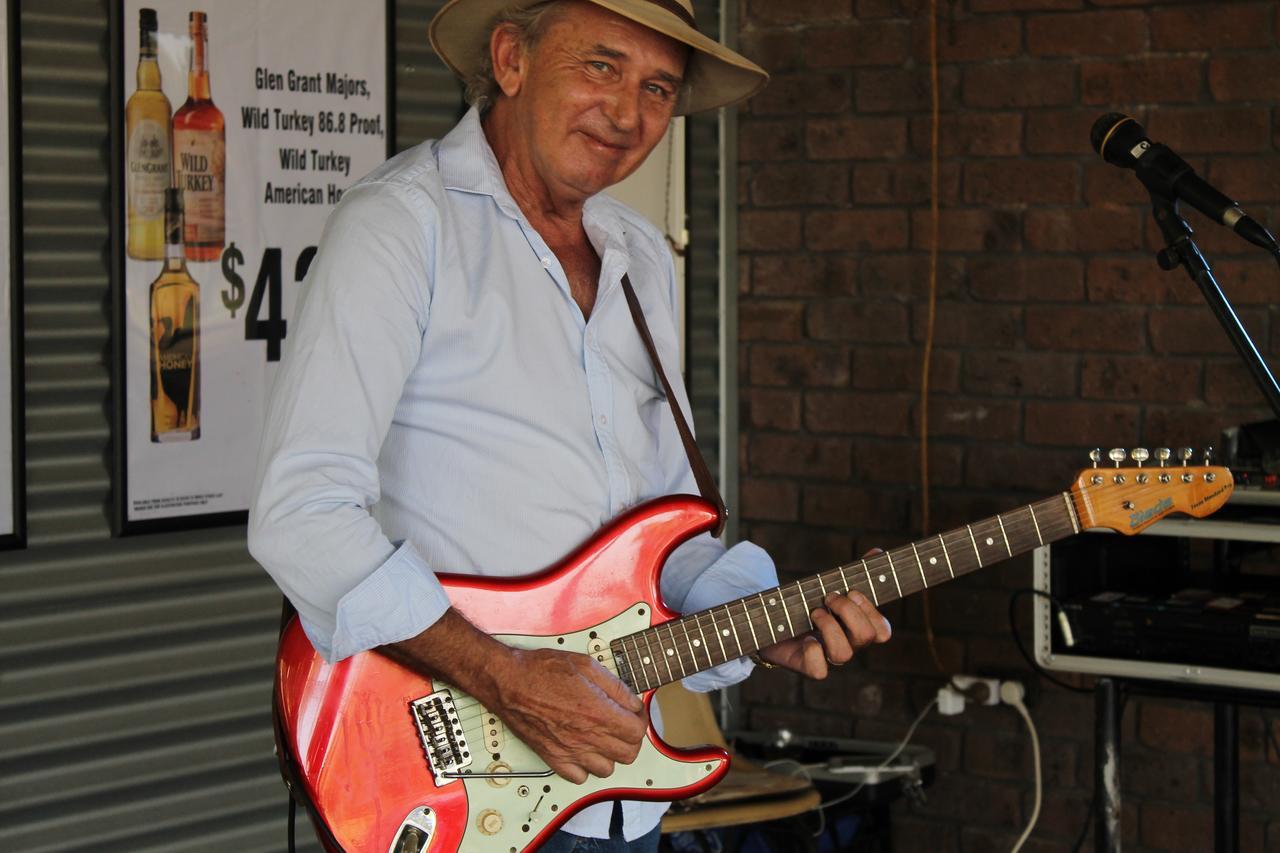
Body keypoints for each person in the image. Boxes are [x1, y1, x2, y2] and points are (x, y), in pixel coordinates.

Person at [247, 1, 892, 849]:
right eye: (601, 66)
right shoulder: (403, 225)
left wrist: (762, 617)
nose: (629, 114)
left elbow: (669, 529)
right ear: (511, 58)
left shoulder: (640, 257)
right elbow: (302, 514)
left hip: (617, 791)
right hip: (456, 789)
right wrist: (505, 677)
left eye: (657, 86)